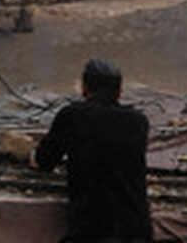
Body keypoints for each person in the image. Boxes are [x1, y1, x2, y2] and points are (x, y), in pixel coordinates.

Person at [34, 59, 152, 243]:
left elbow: (44, 161)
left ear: (84, 88)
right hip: (136, 231)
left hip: (90, 232)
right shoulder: (139, 122)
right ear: (120, 92)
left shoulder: (71, 116)